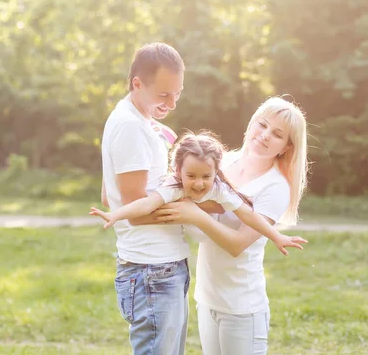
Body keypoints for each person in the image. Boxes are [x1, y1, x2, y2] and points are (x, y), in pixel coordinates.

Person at [151, 97, 309, 355]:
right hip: (207, 296)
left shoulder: (275, 187)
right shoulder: (223, 162)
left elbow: (237, 245)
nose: (265, 135)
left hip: (242, 306)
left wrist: (194, 214)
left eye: (277, 134)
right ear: (251, 124)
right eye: (263, 125)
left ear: (286, 147)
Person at [100, 42, 191, 355]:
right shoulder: (129, 127)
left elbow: (106, 192)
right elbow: (133, 212)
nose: (172, 103)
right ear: (137, 84)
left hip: (160, 267)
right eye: (164, 95)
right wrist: (193, 209)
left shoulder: (140, 121)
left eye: (177, 94)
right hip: (152, 270)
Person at [91, 131, 306, 256]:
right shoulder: (174, 185)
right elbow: (147, 204)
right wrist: (115, 214)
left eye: (206, 176)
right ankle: (155, 139)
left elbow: (248, 215)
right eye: (191, 176)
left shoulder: (220, 188)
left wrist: (277, 236)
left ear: (216, 173)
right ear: (178, 172)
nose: (199, 183)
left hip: (207, 223)